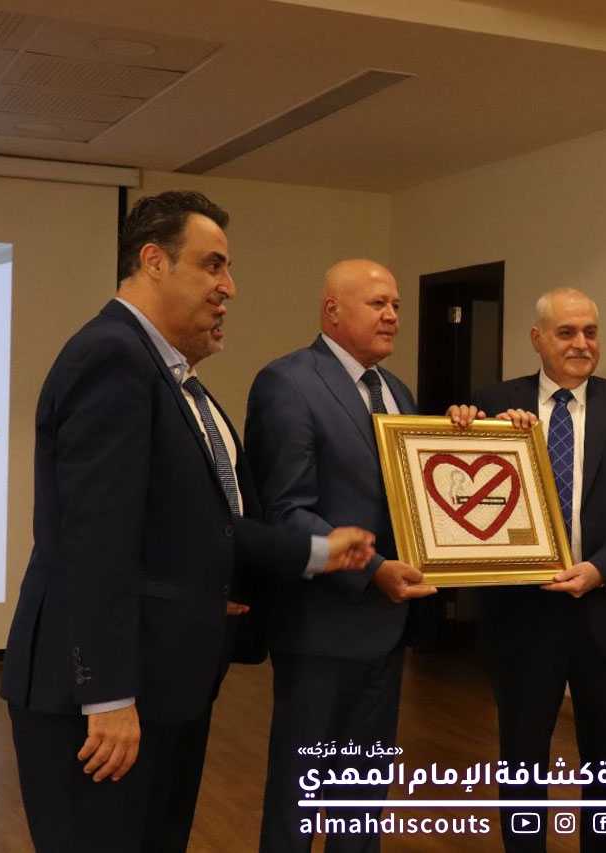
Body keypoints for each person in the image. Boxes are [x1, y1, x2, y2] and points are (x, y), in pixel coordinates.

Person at [0, 191, 375, 852]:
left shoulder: (166, 377)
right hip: (103, 701)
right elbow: (92, 539)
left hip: (165, 686)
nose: (229, 287)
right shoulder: (113, 357)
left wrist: (318, 551)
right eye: (212, 265)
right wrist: (108, 696)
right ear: (154, 261)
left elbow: (206, 523)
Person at [450, 287, 606, 852]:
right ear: (537, 339)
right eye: (567, 332)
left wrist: (600, 568)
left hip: (604, 606)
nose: (581, 343)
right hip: (522, 613)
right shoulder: (495, 403)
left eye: (590, 332)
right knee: (522, 761)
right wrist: (462, 429)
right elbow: (460, 489)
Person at [246, 258, 437, 853]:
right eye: (378, 303)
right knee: (299, 801)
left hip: (388, 628)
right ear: (332, 310)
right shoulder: (287, 383)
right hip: (319, 628)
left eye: (397, 305)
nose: (392, 316)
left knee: (363, 803)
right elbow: (285, 510)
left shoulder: (398, 392)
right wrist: (374, 569)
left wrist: (463, 433)